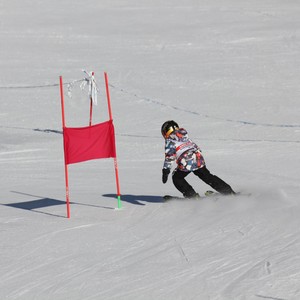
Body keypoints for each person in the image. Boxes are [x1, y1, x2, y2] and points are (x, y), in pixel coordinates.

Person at [161, 120, 235, 198]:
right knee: (206, 176)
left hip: (186, 161)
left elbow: (170, 157)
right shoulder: (184, 135)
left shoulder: (169, 141)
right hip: (198, 158)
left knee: (177, 178)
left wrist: (166, 171)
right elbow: (192, 146)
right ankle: (228, 191)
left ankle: (191, 195)